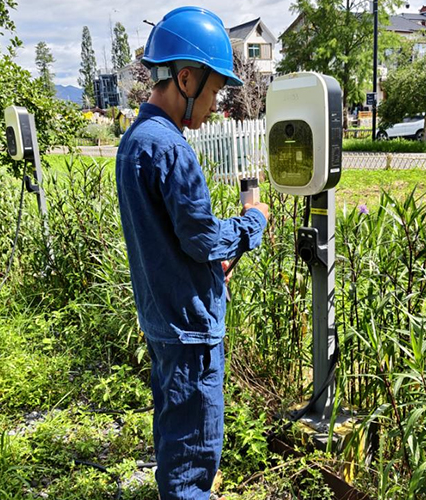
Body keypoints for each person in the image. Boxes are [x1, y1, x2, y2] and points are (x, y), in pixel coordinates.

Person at [114, 7, 270, 500]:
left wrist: (205, 264)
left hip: (163, 319)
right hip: (190, 331)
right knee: (193, 464)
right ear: (185, 78)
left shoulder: (135, 142)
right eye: (215, 90)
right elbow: (201, 237)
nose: (217, 103)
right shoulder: (170, 148)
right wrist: (252, 222)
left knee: (174, 444)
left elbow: (171, 240)